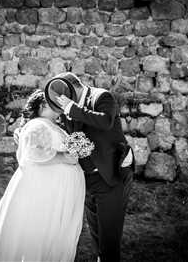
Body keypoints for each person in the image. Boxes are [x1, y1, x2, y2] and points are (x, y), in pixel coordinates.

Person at [0, 89, 86, 262]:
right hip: (43, 192)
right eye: (55, 103)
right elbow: (33, 153)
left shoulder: (51, 125)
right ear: (43, 105)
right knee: (37, 238)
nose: (60, 107)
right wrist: (63, 157)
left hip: (54, 193)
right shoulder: (38, 125)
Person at [44, 72, 134, 262]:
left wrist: (72, 108)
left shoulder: (102, 97)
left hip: (110, 178)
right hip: (86, 182)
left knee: (109, 242)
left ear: (72, 88)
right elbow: (54, 125)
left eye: (64, 98)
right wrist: (26, 129)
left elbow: (105, 121)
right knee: (97, 239)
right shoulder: (68, 109)